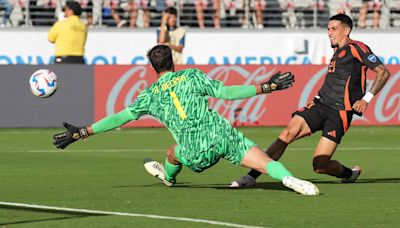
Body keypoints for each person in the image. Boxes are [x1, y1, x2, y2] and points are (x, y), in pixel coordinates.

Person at [53, 44, 319, 196]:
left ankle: (169, 179)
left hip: (194, 151)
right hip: (221, 135)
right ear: (173, 62)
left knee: (172, 153)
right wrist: (266, 87)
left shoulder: (149, 95)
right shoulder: (192, 75)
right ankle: (292, 181)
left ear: (153, 68)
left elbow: (121, 117)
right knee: (265, 162)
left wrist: (84, 132)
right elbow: (226, 93)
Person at [230, 13, 391, 188]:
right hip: (320, 104)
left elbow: (383, 72)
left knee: (319, 166)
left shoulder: (356, 47)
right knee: (286, 134)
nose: (329, 33)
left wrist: (366, 99)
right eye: (328, 29)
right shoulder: (337, 49)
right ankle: (251, 177)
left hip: (340, 113)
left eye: (334, 29)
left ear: (347, 30)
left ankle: (349, 174)